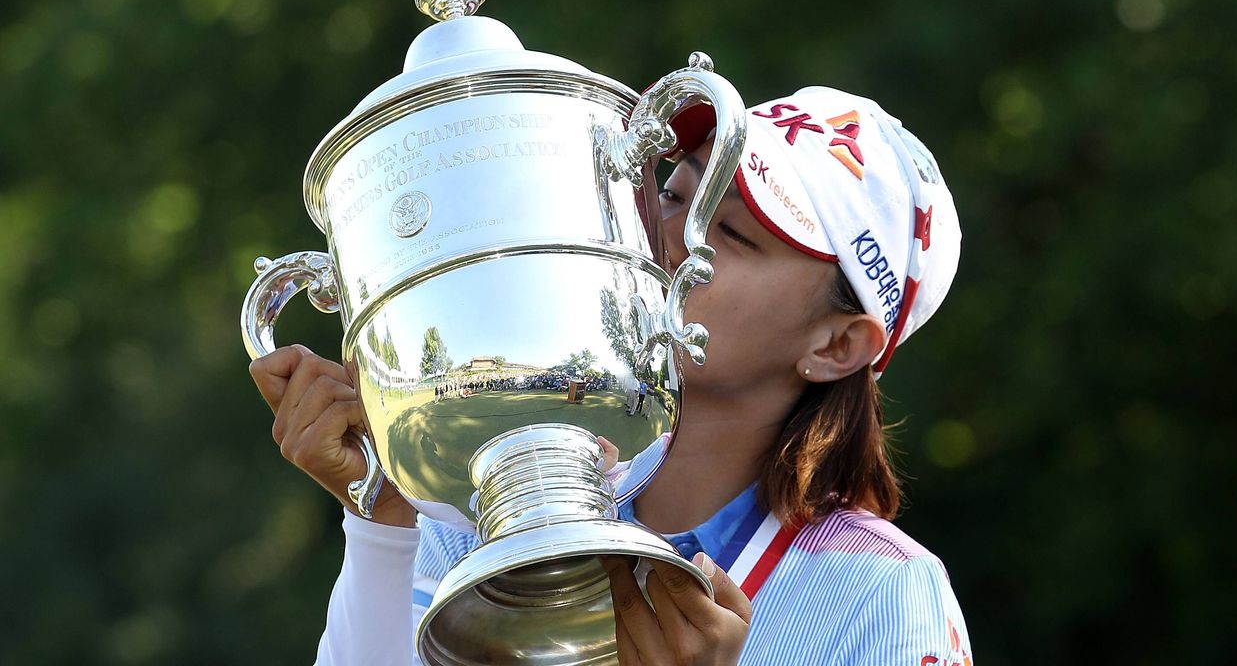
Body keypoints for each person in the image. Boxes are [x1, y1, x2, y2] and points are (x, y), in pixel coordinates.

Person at [250, 86, 970, 665]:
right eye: (674, 196)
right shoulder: (485, 501)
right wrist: (382, 522)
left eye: (733, 234)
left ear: (838, 344)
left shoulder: (883, 592)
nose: (668, 239)